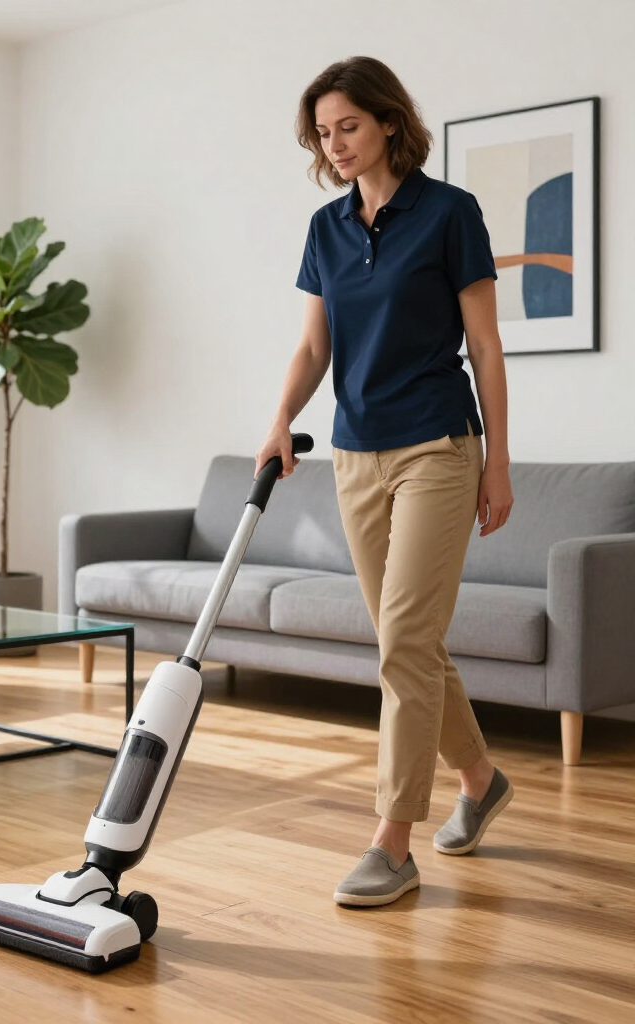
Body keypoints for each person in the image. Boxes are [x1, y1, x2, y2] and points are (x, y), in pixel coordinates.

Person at [256, 56, 515, 907]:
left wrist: (498, 462)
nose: (334, 146)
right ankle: (479, 779)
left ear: (390, 123)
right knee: (408, 642)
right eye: (322, 134)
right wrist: (278, 418)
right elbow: (313, 346)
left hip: (438, 446)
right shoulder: (326, 228)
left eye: (349, 127)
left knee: (403, 638)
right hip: (354, 453)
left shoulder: (449, 213)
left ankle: (391, 843)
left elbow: (485, 346)